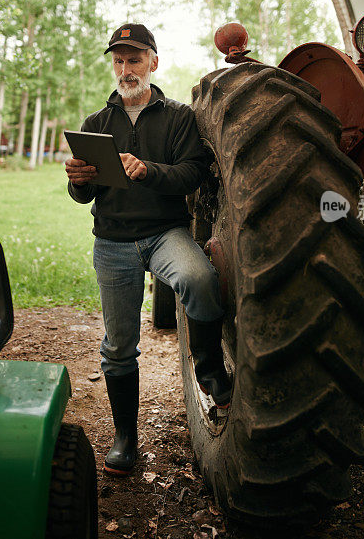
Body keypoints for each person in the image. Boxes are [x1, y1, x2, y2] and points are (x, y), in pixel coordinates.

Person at [65, 23, 232, 476]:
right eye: (118, 60)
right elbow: (84, 197)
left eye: (134, 59)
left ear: (153, 62)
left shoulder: (177, 117)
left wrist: (148, 171)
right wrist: (77, 182)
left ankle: (210, 371)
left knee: (200, 279)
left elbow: (193, 174)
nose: (125, 68)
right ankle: (125, 437)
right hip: (113, 240)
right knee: (118, 347)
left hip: (164, 233)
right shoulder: (97, 125)